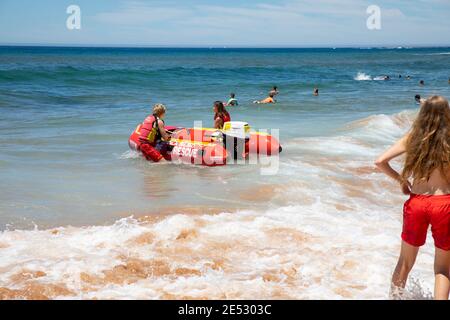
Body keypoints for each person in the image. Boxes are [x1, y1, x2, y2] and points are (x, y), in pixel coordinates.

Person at [375, 96, 450, 300]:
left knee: (404, 263)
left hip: (417, 202)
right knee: (443, 268)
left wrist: (401, 180)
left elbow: (380, 161)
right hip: (444, 203)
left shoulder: (413, 138)